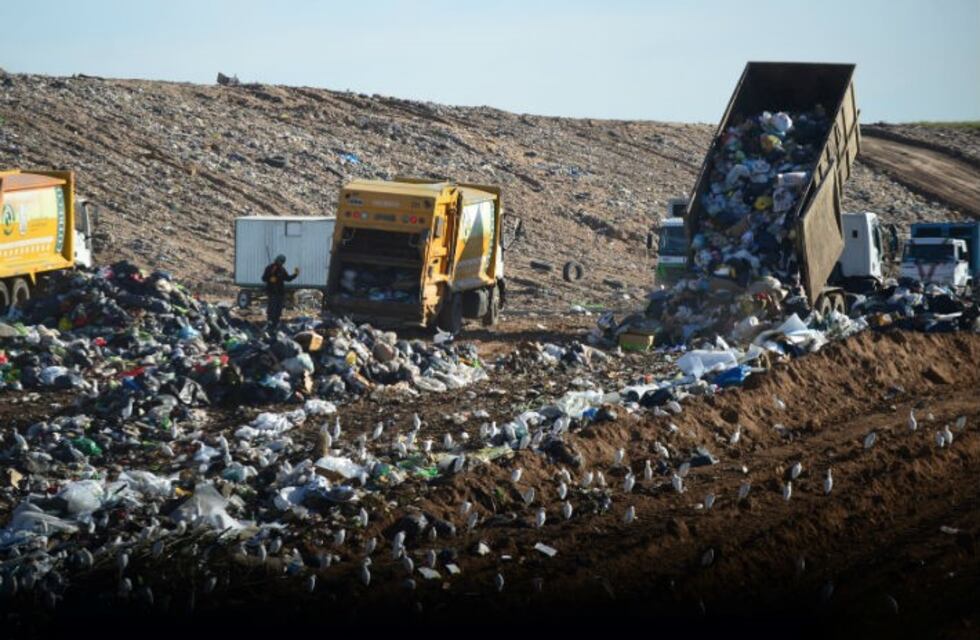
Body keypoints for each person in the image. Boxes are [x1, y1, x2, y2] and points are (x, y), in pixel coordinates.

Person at [261, 254, 299, 335]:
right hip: (272, 292)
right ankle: (270, 323)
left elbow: (288, 278)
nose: (281, 263)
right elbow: (264, 278)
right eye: (280, 261)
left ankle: (276, 324)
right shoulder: (270, 268)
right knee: (272, 309)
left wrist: (295, 274)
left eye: (282, 262)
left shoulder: (282, 269)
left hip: (280, 292)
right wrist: (270, 279)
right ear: (277, 260)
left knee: (278, 310)